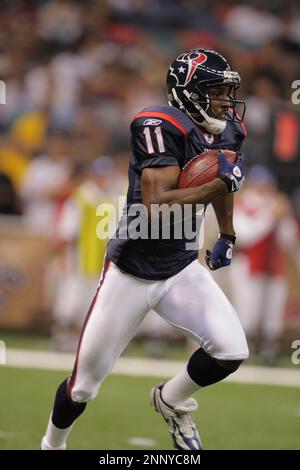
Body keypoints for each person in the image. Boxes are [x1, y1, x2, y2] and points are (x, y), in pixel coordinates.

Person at [41, 49, 249, 451]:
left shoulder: (230, 129)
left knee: (231, 350)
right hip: (131, 271)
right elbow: (158, 204)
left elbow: (227, 179)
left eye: (228, 90)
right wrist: (220, 185)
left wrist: (227, 233)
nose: (226, 100)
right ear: (188, 92)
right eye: (217, 91)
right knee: (82, 388)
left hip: (181, 267)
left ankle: (171, 399)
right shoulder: (157, 123)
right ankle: (52, 445)